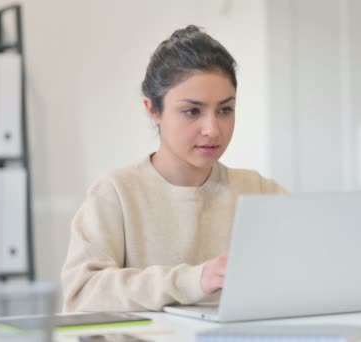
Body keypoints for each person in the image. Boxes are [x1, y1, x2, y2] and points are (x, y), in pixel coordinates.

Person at [61, 25, 287, 312]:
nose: (212, 129)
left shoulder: (259, 192)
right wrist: (195, 279)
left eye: (225, 110)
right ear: (153, 110)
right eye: (192, 111)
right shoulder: (116, 193)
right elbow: (81, 294)